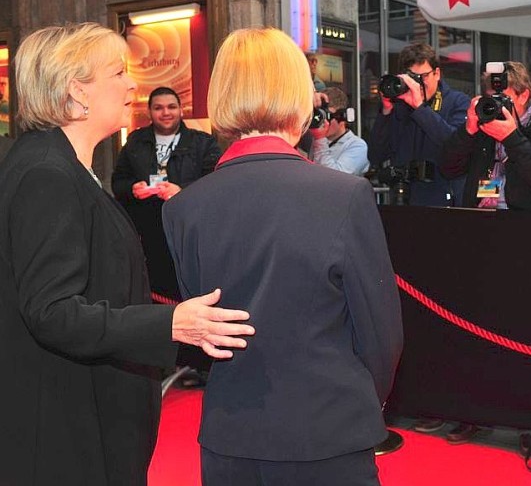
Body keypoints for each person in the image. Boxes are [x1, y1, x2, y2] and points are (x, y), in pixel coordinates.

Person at [0, 22, 254, 486]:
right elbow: (52, 312)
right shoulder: (47, 175)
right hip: (63, 428)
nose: (131, 84)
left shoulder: (57, 163)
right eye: (117, 73)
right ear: (76, 91)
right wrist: (170, 323)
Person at [162, 27, 403, 486]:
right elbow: (380, 334)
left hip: (231, 436)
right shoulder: (345, 195)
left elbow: (207, 327)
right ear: (299, 94)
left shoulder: (183, 209)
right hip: (328, 431)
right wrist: (357, 401)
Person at [112, 86, 221, 301]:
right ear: (149, 112)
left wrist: (182, 190)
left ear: (181, 110)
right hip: (148, 232)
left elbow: (215, 181)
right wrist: (133, 188)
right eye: (158, 108)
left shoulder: (202, 142)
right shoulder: (135, 141)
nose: (165, 112)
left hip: (189, 230)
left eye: (171, 107)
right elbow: (118, 182)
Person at [441, 61, 531, 211]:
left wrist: (511, 138)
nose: (497, 106)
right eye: (492, 99)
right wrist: (468, 130)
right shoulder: (483, 129)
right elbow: (448, 168)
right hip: (482, 222)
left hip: (529, 227)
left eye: (502, 99)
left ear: (523, 96)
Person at [368, 42, 470, 206]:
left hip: (443, 202)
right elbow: (376, 155)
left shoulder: (458, 102)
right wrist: (386, 110)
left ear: (437, 73)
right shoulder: (398, 106)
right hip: (403, 200)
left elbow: (453, 145)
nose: (418, 84)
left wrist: (419, 108)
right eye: (412, 78)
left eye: (423, 77)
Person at [309, 86, 369, 176]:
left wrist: (320, 139)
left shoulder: (357, 146)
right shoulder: (308, 138)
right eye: (319, 115)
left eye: (327, 117)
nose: (322, 121)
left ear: (342, 117)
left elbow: (336, 177)